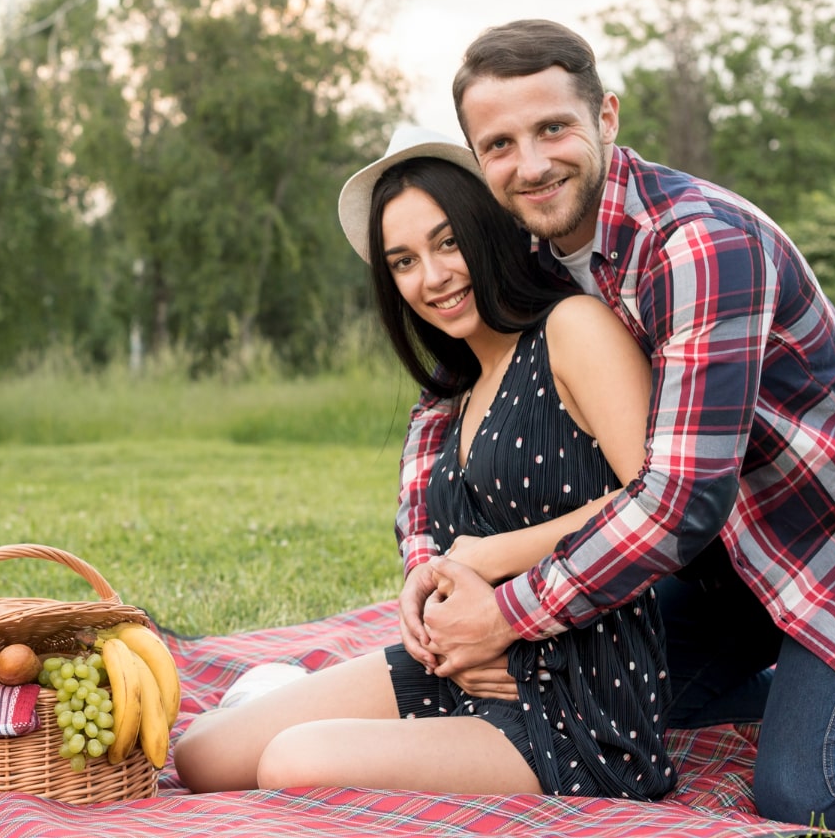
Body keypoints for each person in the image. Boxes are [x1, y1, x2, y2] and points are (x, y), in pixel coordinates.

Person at [400, 19, 835, 830]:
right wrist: (429, 561)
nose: (531, 163)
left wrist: (509, 609)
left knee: (813, 791)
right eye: (499, 144)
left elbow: (682, 498)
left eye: (553, 127)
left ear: (607, 118)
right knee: (588, 693)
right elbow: (443, 396)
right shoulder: (530, 246)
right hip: (724, 565)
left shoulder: (700, 241)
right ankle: (815, 686)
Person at [172, 127, 675, 800]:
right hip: (464, 663)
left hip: (574, 697)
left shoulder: (573, 329)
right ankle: (295, 696)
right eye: (403, 260)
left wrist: (486, 556)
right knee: (202, 755)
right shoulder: (456, 387)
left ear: (491, 227)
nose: (432, 277)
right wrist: (430, 590)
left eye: (447, 241)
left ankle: (326, 722)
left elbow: (659, 498)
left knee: (294, 762)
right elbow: (433, 543)